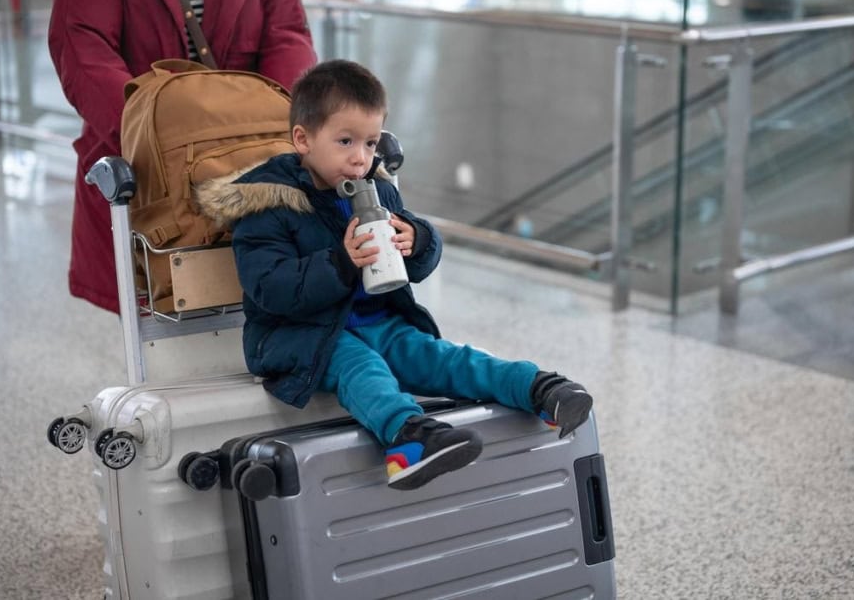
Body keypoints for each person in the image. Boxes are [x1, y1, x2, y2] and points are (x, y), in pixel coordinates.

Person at [195, 59, 594, 490]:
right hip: (297, 334)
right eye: (345, 141)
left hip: (375, 320)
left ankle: (537, 389)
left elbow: (419, 257)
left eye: (370, 143)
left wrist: (417, 240)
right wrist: (341, 261)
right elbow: (270, 289)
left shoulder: (378, 188)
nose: (360, 158)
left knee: (439, 356)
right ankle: (408, 440)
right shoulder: (268, 204)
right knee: (360, 366)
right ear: (303, 140)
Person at [48, 0, 317, 313]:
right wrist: (156, 136)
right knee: (159, 324)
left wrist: (277, 127)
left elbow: (287, 33)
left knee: (261, 296)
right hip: (149, 170)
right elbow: (84, 52)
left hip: (248, 163)